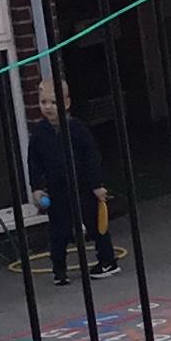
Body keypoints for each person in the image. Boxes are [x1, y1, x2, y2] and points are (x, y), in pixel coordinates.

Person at [28, 104, 116, 287]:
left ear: (66, 103)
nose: (47, 106)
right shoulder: (39, 133)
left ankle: (107, 261)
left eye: (53, 102)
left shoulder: (77, 128)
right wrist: (36, 187)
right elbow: (34, 162)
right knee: (58, 231)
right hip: (57, 189)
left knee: (96, 225)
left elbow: (91, 156)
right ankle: (59, 270)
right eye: (43, 102)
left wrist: (96, 184)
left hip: (83, 186)